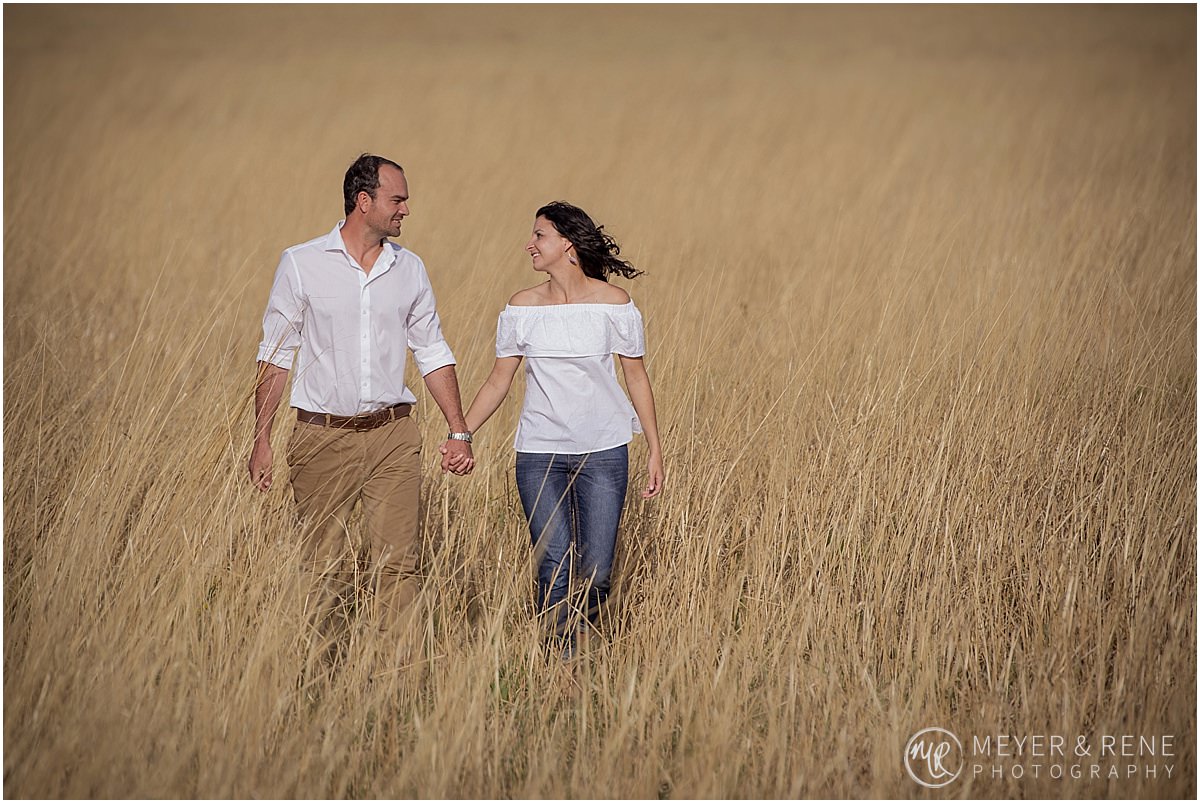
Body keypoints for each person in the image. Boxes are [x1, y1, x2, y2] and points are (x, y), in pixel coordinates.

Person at [249, 153, 475, 638]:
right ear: (363, 201)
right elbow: (275, 355)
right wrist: (261, 438)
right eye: (398, 200)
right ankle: (315, 676)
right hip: (321, 437)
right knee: (321, 567)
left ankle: (400, 686)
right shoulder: (301, 264)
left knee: (398, 567)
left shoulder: (409, 269)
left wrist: (459, 430)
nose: (406, 210)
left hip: (394, 434)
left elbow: (432, 351)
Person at [449, 201, 664, 655]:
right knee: (552, 561)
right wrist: (460, 433)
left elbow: (636, 377)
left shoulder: (615, 304)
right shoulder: (522, 307)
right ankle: (562, 663)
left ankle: (583, 651)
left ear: (566, 244)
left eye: (539, 235)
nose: (530, 244)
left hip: (604, 451)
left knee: (597, 569)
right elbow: (497, 379)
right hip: (539, 454)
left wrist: (655, 450)